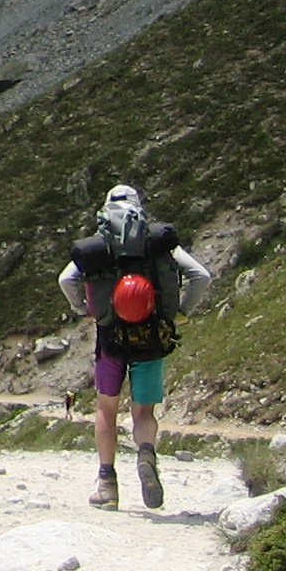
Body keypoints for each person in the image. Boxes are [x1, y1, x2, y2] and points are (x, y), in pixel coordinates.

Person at [58, 182, 213, 508]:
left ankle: (107, 484)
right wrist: (182, 312)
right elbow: (201, 276)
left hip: (110, 338)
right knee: (143, 411)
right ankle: (145, 455)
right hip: (152, 336)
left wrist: (83, 310)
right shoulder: (158, 242)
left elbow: (66, 279)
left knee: (106, 408)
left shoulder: (98, 246)